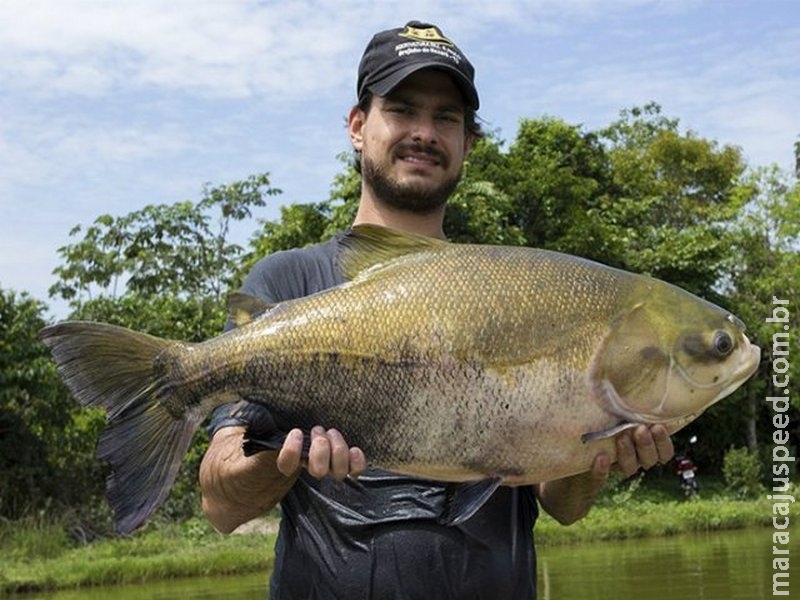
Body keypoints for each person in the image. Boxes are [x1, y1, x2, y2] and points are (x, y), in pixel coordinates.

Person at [199, 20, 674, 599]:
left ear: (467, 143)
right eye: (402, 109)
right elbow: (220, 504)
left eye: (446, 118)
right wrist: (282, 462)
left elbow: (563, 507)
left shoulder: (510, 288)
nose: (424, 131)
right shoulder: (288, 281)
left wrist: (601, 456)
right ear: (357, 125)